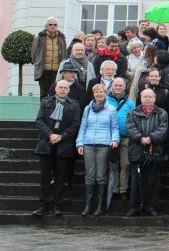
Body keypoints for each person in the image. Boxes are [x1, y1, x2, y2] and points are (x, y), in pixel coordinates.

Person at [32, 80, 81, 217]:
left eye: (65, 88)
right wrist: (50, 134)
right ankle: (43, 205)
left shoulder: (74, 105)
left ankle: (57, 206)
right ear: (56, 88)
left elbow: (75, 124)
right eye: (61, 87)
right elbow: (39, 121)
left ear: (68, 90)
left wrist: (61, 136)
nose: (63, 90)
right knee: (45, 178)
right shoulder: (46, 102)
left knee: (60, 178)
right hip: (46, 144)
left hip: (64, 145)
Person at [76, 84, 119, 216]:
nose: (99, 94)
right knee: (89, 175)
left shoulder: (111, 109)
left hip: (104, 145)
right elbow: (83, 126)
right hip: (88, 144)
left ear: (105, 93)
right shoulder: (87, 109)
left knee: (100, 176)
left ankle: (100, 205)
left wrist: (115, 140)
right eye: (96, 92)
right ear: (93, 94)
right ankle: (88, 204)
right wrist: (80, 143)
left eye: (101, 92)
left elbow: (114, 128)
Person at [125, 89, 169, 217]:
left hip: (154, 151)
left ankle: (151, 206)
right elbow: (130, 128)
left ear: (154, 99)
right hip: (137, 150)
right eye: (145, 97)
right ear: (141, 98)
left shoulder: (162, 113)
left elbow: (163, 129)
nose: (148, 99)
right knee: (135, 182)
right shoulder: (132, 112)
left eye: (150, 97)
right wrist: (140, 138)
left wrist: (150, 138)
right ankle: (134, 207)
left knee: (153, 181)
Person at [106, 78, 135, 201]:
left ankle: (123, 189)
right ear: (112, 86)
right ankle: (114, 189)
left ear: (124, 87)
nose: (118, 87)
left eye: (120, 85)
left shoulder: (130, 103)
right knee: (113, 164)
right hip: (110, 137)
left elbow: (133, 119)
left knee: (125, 163)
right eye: (116, 85)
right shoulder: (105, 100)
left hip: (125, 137)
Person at [32, 17, 68, 97]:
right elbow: (34, 53)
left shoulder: (61, 38)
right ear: (46, 26)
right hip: (43, 70)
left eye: (55, 25)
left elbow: (64, 53)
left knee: (55, 93)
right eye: (50, 25)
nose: (53, 26)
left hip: (57, 71)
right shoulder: (40, 38)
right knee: (43, 94)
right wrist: (37, 62)